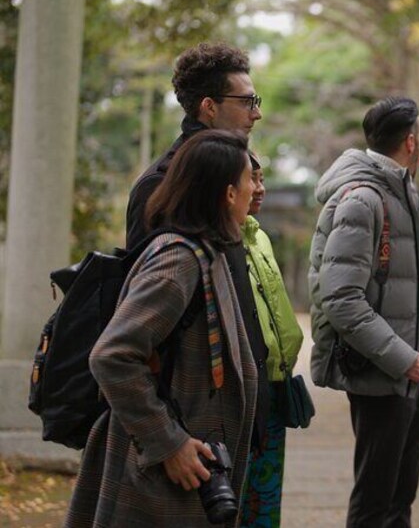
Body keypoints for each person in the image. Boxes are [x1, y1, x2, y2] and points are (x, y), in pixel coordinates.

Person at [66, 130, 259, 527]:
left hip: (188, 473)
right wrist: (167, 443)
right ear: (226, 193)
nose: (255, 189)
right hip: (157, 475)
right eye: (248, 180)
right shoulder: (178, 263)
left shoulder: (210, 251)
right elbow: (113, 356)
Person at [309, 96, 419, 527]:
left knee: (400, 496)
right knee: (375, 499)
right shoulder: (363, 197)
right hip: (386, 368)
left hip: (414, 363)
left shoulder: (400, 187)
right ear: (411, 142)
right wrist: (403, 358)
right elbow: (341, 298)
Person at [125, 42, 270, 453]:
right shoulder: (163, 185)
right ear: (208, 107)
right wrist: (166, 439)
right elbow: (139, 326)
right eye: (247, 102)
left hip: (239, 405)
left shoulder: (239, 176)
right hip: (190, 419)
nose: (256, 113)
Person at [240, 156, 304, 527]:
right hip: (246, 391)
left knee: (266, 498)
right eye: (252, 179)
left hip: (276, 386)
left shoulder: (259, 236)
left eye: (263, 179)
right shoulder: (221, 241)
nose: (260, 188)